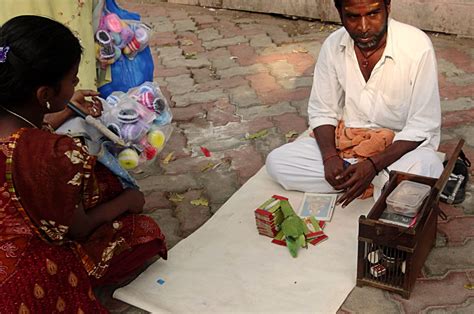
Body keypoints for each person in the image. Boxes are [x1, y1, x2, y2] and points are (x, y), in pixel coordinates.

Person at [0, 15, 167, 312]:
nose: (76, 83)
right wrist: (129, 200)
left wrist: (64, 111)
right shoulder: (52, 153)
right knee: (142, 231)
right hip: (19, 279)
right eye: (72, 78)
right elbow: (80, 228)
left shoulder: (19, 123)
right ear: (45, 95)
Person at [266, 0, 443, 207]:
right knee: (278, 163)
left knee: (426, 166)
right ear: (339, 12)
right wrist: (330, 158)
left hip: (400, 151)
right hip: (350, 148)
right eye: (352, 17)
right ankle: (374, 184)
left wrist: (373, 165)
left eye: (373, 14)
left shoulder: (416, 45)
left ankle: (372, 181)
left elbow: (423, 126)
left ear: (388, 7)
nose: (364, 27)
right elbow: (322, 110)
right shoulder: (333, 45)